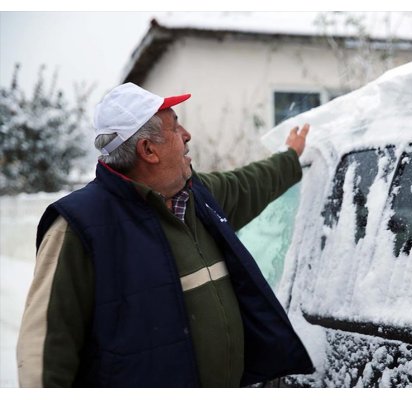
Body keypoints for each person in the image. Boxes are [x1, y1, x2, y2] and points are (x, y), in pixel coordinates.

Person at [16, 83, 314, 387]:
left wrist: (290, 157)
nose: (187, 135)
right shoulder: (78, 227)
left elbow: (250, 183)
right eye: (175, 127)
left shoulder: (199, 197)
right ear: (148, 150)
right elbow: (44, 352)